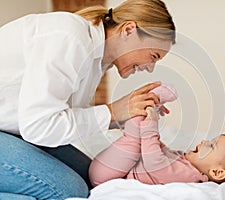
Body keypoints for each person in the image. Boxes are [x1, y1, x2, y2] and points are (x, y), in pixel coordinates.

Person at [0, 0, 175, 199]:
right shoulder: (70, 38)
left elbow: (62, 119)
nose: (150, 68)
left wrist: (123, 117)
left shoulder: (97, 60)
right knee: (68, 191)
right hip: (20, 130)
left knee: (90, 178)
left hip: (14, 129)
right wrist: (111, 111)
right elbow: (39, 127)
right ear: (129, 30)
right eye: (153, 56)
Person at [89, 83, 225, 186]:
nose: (204, 141)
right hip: (114, 169)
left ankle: (149, 103)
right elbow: (157, 148)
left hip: (106, 175)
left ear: (217, 172)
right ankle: (150, 105)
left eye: (211, 145)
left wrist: (151, 125)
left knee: (134, 140)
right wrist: (152, 124)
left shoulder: (188, 175)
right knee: (140, 139)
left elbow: (154, 162)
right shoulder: (185, 162)